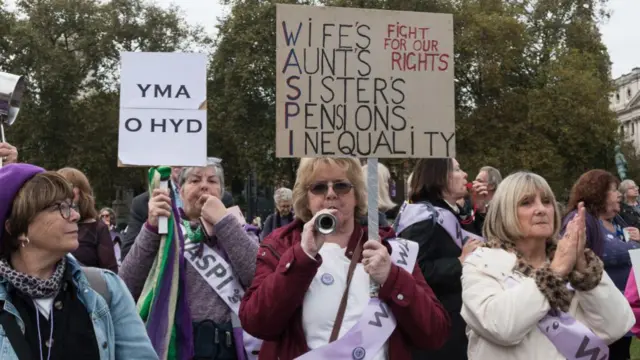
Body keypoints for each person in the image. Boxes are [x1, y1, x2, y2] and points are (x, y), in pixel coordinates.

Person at [239, 157, 450, 360]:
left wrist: (392, 277)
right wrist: (302, 258)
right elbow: (257, 323)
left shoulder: (387, 247)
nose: (331, 194)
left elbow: (434, 333)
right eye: (319, 187)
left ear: (356, 194)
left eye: (341, 186)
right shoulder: (281, 244)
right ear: (306, 197)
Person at [461, 171, 634, 359]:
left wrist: (584, 271)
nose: (541, 209)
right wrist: (554, 273)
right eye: (526, 202)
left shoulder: (571, 262)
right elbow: (501, 327)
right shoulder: (482, 262)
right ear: (504, 211)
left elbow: (617, 325)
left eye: (546, 201)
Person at [0, 164, 157, 359]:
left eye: (71, 206)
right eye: (61, 208)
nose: (75, 215)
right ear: (18, 229)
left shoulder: (106, 289)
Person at [120, 162, 259, 359]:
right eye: (195, 180)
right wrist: (151, 227)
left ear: (221, 192)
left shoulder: (240, 231)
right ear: (180, 190)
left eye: (212, 181)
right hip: (174, 346)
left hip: (227, 347)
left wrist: (223, 222)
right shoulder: (165, 232)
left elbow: (258, 278)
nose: (204, 186)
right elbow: (126, 285)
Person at [393, 158, 484, 360]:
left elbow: (475, 241)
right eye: (458, 169)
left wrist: (480, 208)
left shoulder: (447, 212)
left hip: (456, 322)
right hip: (436, 329)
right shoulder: (423, 217)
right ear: (440, 177)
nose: (465, 175)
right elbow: (414, 270)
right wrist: (458, 263)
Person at [58, 168, 118, 273]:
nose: (64, 191)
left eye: (69, 186)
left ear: (82, 191)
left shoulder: (98, 228)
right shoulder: (52, 225)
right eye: (60, 186)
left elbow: (110, 273)